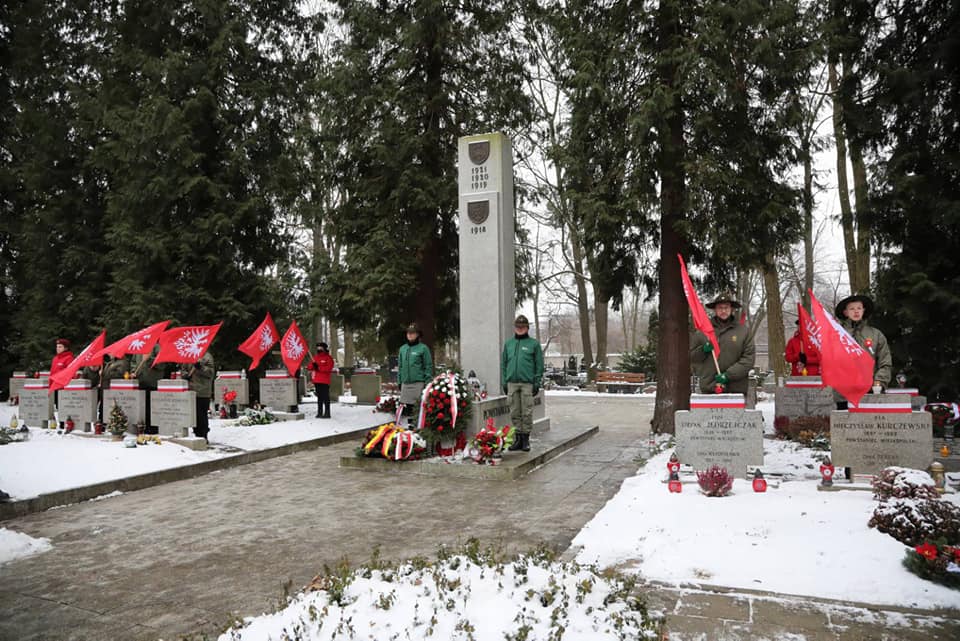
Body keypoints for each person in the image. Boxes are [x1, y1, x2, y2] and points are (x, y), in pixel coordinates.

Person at [690, 293, 756, 394]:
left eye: (726, 307)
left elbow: (748, 359)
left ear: (732, 309)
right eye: (720, 308)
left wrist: (728, 375)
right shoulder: (703, 332)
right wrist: (702, 350)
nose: (723, 311)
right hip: (709, 387)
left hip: (736, 388)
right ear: (715, 310)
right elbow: (691, 357)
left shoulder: (743, 331)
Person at [835, 294, 892, 408]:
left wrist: (879, 382)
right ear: (845, 312)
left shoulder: (876, 335)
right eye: (852, 308)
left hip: (870, 391)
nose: (856, 311)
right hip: (844, 392)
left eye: (859, 308)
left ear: (863, 311)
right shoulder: (837, 334)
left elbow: (885, 362)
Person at [501, 315, 544, 452]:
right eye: (518, 327)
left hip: (527, 383)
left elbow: (539, 364)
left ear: (527, 328)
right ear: (515, 328)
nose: (520, 329)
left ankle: (526, 439)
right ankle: (518, 439)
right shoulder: (508, 344)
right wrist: (504, 382)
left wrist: (536, 382)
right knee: (514, 412)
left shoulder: (534, 344)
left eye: (523, 327)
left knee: (526, 412)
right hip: (512, 383)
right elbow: (504, 364)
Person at [398, 323, 432, 423]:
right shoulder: (402, 349)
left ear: (417, 334)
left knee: (417, 409)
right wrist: (399, 381)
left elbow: (428, 366)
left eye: (412, 333)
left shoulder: (423, 348)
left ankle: (417, 428)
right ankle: (408, 428)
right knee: (407, 409)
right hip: (405, 383)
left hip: (418, 383)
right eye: (408, 333)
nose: (409, 335)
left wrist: (427, 382)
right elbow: (400, 367)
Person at [130, 345, 166, 434]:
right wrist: (133, 371)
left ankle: (152, 429)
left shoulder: (157, 347)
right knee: (142, 407)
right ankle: (142, 427)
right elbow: (133, 362)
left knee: (152, 408)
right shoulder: (139, 346)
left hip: (153, 382)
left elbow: (162, 364)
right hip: (140, 381)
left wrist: (149, 360)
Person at [182, 351, 214, 442]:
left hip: (203, 391)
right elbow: (183, 369)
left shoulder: (207, 356)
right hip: (191, 390)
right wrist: (186, 375)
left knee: (202, 415)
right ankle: (196, 433)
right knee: (194, 415)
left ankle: (203, 435)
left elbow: (210, 373)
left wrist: (201, 367)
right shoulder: (189, 355)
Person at [307, 342, 335, 419]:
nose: (319, 349)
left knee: (325, 397)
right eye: (318, 348)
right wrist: (312, 366)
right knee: (319, 397)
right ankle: (319, 412)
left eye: (320, 347)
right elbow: (309, 367)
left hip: (324, 381)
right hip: (317, 380)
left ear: (324, 348)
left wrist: (318, 368)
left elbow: (328, 368)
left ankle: (327, 413)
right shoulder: (315, 357)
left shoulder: (328, 358)